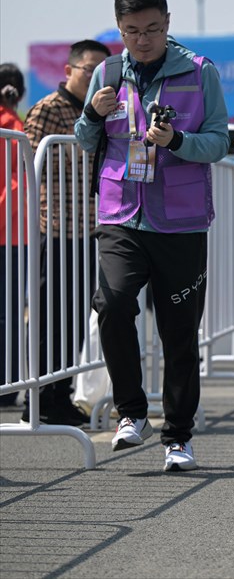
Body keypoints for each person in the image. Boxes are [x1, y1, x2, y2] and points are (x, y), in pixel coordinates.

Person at [74, 0, 229, 472]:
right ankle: (132, 413)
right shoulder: (108, 71)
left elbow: (219, 143)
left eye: (153, 29)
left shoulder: (200, 71)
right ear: (120, 29)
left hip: (180, 222)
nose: (143, 40)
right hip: (121, 215)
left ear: (168, 23)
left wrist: (177, 140)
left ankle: (178, 437)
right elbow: (83, 140)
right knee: (113, 304)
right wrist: (92, 115)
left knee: (179, 333)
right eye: (132, 31)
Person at [24, 40, 112, 425]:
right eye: (88, 70)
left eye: (102, 73)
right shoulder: (48, 109)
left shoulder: (103, 112)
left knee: (75, 317)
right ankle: (38, 398)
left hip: (91, 229)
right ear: (69, 71)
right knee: (49, 317)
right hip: (57, 228)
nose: (95, 79)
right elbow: (30, 163)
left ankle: (61, 394)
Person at [1, 64, 27, 408]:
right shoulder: (11, 123)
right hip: (10, 232)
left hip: (12, 232)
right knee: (7, 310)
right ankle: (6, 384)